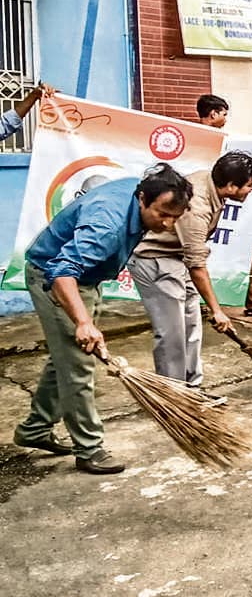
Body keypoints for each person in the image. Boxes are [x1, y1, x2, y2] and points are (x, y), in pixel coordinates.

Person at [13, 164, 193, 474]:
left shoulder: (143, 193)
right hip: (53, 276)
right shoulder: (106, 225)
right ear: (142, 199)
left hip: (85, 278)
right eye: (162, 213)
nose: (167, 223)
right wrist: (83, 322)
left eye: (175, 217)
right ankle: (89, 449)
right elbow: (61, 273)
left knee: (65, 359)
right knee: (79, 365)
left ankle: (35, 429)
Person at [128, 152, 252, 387]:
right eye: (249, 186)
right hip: (155, 260)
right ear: (231, 186)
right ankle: (174, 392)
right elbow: (197, 265)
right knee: (171, 333)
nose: (251, 190)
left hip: (177, 257)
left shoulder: (210, 181)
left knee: (191, 323)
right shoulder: (197, 208)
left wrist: (214, 309)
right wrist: (217, 309)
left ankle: (193, 385)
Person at [194, 93, 252, 317]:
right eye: (224, 114)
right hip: (204, 211)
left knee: (232, 253)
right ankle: (236, 301)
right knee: (207, 254)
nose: (225, 118)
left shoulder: (211, 139)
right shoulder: (205, 140)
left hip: (219, 210)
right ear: (213, 113)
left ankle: (247, 299)